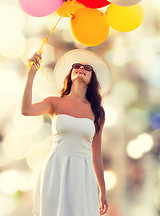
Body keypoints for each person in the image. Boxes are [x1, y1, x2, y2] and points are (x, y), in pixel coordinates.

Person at [21, 49, 112, 216]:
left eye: (87, 68)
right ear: (70, 74)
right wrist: (31, 74)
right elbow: (26, 110)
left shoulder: (97, 112)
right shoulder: (54, 103)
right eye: (76, 66)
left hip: (83, 173)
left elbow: (96, 155)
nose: (81, 68)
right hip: (56, 168)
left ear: (92, 78)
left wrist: (103, 191)